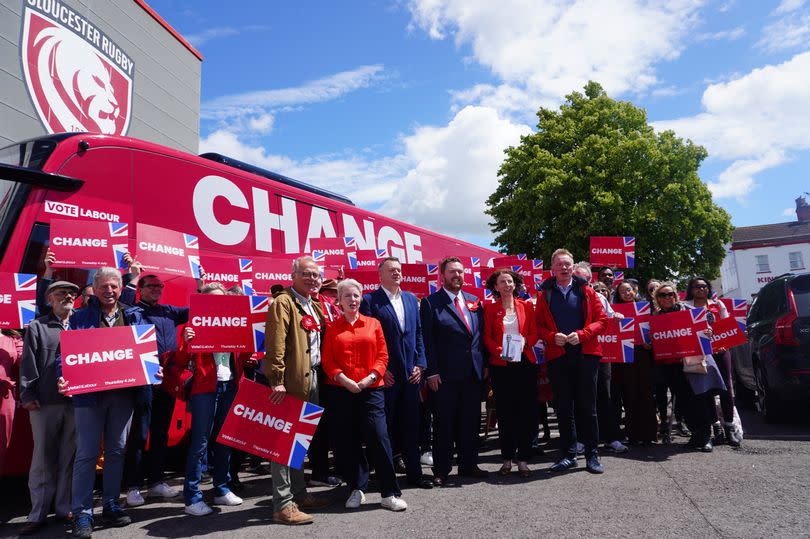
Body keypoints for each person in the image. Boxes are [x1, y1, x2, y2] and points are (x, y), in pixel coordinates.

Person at [57, 267, 155, 538]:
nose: (109, 291)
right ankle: (82, 513)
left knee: (116, 451)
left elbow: (146, 352)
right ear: (95, 288)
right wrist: (62, 377)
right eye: (104, 286)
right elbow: (62, 355)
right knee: (87, 454)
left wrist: (151, 368)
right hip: (88, 396)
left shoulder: (134, 315)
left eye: (114, 286)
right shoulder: (79, 317)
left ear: (121, 288)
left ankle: (111, 504)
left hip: (124, 395)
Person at [322, 279, 408, 511]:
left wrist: (370, 377)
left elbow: (383, 356)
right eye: (347, 296)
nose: (352, 300)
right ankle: (356, 488)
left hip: (372, 390)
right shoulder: (332, 327)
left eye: (356, 295)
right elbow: (328, 360)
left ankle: (389, 492)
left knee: (379, 437)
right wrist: (343, 379)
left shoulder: (373, 323)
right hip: (341, 391)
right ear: (338, 300)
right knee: (348, 442)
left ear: (361, 298)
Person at [122, 261, 203, 507]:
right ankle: (133, 486)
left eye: (159, 286)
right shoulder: (134, 310)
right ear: (141, 289)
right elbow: (123, 305)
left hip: (167, 379)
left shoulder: (169, 310)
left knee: (160, 432)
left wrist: (200, 284)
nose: (157, 289)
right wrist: (133, 277)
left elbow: (199, 309)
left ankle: (156, 483)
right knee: (140, 433)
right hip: (143, 378)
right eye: (152, 286)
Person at [264, 256, 331, 525]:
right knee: (282, 443)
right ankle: (282, 504)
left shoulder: (312, 303)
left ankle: (299, 494)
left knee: (300, 440)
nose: (313, 279)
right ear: (293, 275)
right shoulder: (283, 302)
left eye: (316, 275)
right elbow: (275, 343)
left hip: (312, 376)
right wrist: (276, 379)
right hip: (290, 381)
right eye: (307, 274)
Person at [172, 282, 249, 516]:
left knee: (224, 439)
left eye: (221, 299)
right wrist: (187, 341)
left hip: (230, 384)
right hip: (205, 387)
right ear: (203, 303)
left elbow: (244, 352)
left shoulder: (233, 322)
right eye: (211, 299)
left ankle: (221, 488)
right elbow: (180, 361)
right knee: (200, 442)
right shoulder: (189, 326)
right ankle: (192, 496)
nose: (217, 303)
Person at [535, 249, 609, 474]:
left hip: (586, 355)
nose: (564, 268)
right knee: (564, 408)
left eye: (567, 264)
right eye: (559, 265)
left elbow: (603, 321)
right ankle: (568, 455)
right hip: (558, 356)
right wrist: (550, 337)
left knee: (588, 407)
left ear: (573, 266)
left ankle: (592, 455)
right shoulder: (544, 294)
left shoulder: (587, 291)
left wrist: (584, 334)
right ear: (552, 268)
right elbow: (538, 326)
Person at [361, 257, 431, 489]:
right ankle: (386, 478)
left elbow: (419, 334)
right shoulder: (370, 300)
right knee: (385, 430)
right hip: (385, 376)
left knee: (412, 426)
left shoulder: (411, 299)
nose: (397, 273)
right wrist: (380, 369)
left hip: (411, 375)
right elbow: (367, 339)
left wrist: (420, 364)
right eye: (391, 270)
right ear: (380, 275)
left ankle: (415, 475)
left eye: (399, 270)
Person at [420, 256, 488, 486]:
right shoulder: (431, 303)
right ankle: (442, 469)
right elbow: (427, 341)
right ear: (442, 275)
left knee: (470, 422)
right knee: (444, 424)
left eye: (460, 271)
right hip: (444, 376)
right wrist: (431, 371)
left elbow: (479, 337)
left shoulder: (474, 302)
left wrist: (484, 365)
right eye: (452, 272)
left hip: (472, 373)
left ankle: (469, 464)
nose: (457, 275)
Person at [18, 281, 79, 535]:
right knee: (42, 459)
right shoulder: (37, 327)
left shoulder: (82, 323)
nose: (67, 296)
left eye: (71, 293)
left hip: (77, 403)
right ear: (49, 299)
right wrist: (27, 393)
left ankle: (64, 508)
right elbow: (28, 363)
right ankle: (38, 513)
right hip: (45, 402)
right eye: (60, 293)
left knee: (69, 459)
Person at [651, 282, 726, 452]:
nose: (667, 297)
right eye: (663, 295)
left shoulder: (688, 311)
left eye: (670, 294)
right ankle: (696, 434)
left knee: (700, 398)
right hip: (671, 365)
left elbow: (707, 329)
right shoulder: (656, 318)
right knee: (684, 400)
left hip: (693, 361)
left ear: (675, 296)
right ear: (657, 299)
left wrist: (708, 332)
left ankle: (707, 437)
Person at [482, 269, 538, 477]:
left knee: (525, 412)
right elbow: (486, 337)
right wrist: (500, 351)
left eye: (510, 281)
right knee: (505, 413)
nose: (507, 285)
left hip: (524, 363)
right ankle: (506, 459)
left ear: (515, 285)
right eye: (502, 282)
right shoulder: (489, 309)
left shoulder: (526, 307)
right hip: (501, 365)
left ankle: (523, 459)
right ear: (495, 287)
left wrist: (525, 342)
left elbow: (534, 332)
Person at [574, 263, 627, 455]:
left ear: (589, 279)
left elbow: (610, 317)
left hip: (599, 353)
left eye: (584, 279)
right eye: (577, 278)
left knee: (605, 396)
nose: (581, 282)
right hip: (576, 354)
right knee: (580, 398)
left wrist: (618, 316)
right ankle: (582, 439)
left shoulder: (599, 298)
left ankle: (611, 437)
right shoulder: (566, 298)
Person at [683, 276, 742, 447]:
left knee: (727, 388)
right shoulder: (686, 306)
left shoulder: (718, 304)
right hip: (700, 353)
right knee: (706, 389)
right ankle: (715, 426)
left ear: (708, 288)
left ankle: (729, 427)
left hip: (721, 350)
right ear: (691, 289)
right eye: (696, 287)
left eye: (704, 286)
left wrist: (724, 342)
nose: (701, 289)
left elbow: (727, 324)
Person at [613, 281, 658, 445]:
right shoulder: (614, 311)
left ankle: (649, 434)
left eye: (628, 290)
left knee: (646, 393)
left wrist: (650, 342)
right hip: (625, 354)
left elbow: (654, 328)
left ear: (635, 291)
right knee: (630, 393)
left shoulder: (645, 308)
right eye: (622, 291)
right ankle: (632, 434)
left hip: (643, 353)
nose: (626, 293)